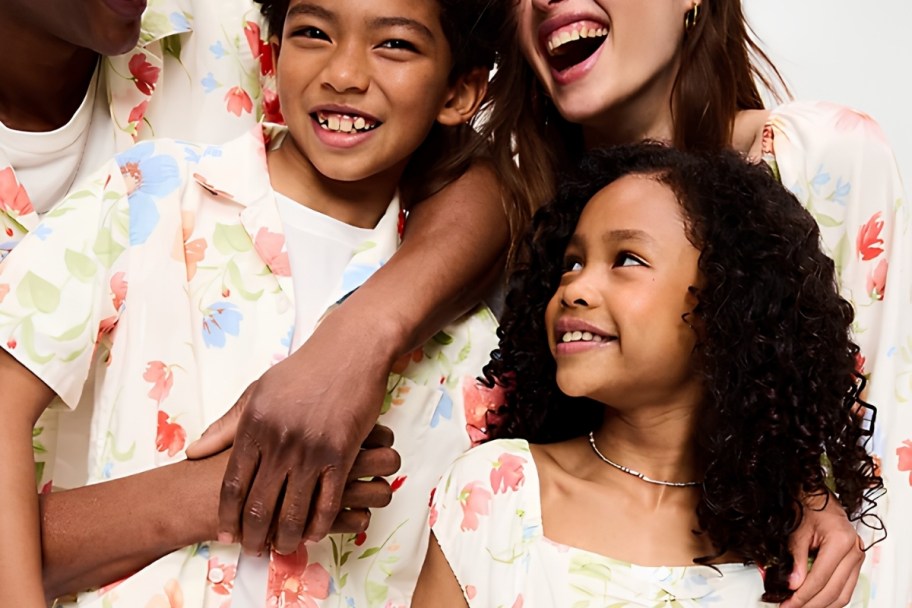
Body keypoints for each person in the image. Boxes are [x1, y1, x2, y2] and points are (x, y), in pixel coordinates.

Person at [0, 0, 508, 605]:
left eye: (394, 45)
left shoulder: (471, 344)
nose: (344, 73)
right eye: (314, 33)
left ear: (460, 93)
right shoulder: (149, 193)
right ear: (271, 54)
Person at [479, 1, 909, 605]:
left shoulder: (822, 155)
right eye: (574, 262)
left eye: (627, 259)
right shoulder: (500, 210)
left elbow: (883, 438)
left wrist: (801, 481)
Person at [413, 142, 884, 607]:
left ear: (725, 304)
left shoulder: (792, 550)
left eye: (627, 260)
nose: (576, 286)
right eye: (572, 263)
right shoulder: (497, 491)